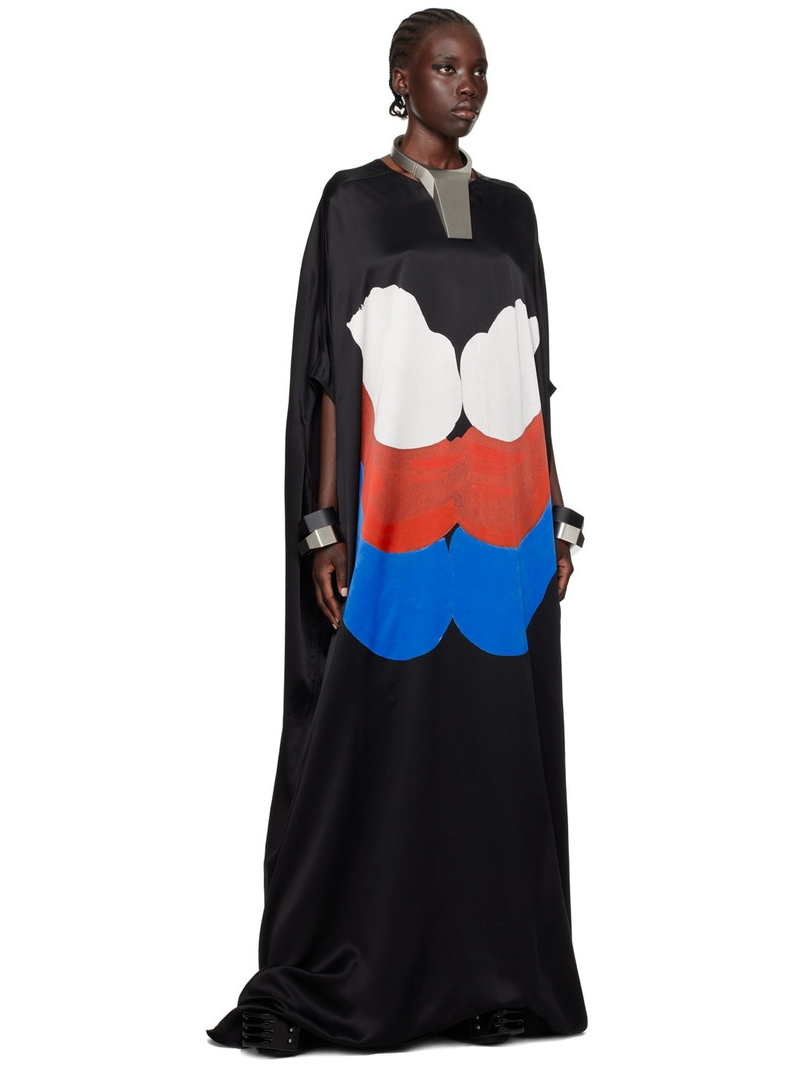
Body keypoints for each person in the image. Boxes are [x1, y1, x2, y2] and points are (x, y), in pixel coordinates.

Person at [206, 7, 587, 1055]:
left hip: (505, 524)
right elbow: (333, 368)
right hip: (394, 521)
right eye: (445, 66)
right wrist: (322, 525)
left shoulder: (511, 211)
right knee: (377, 733)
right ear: (401, 78)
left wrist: (557, 515)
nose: (466, 85)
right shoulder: (355, 202)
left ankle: (498, 977)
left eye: (478, 69)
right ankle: (338, 968)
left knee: (494, 746)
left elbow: (533, 373)